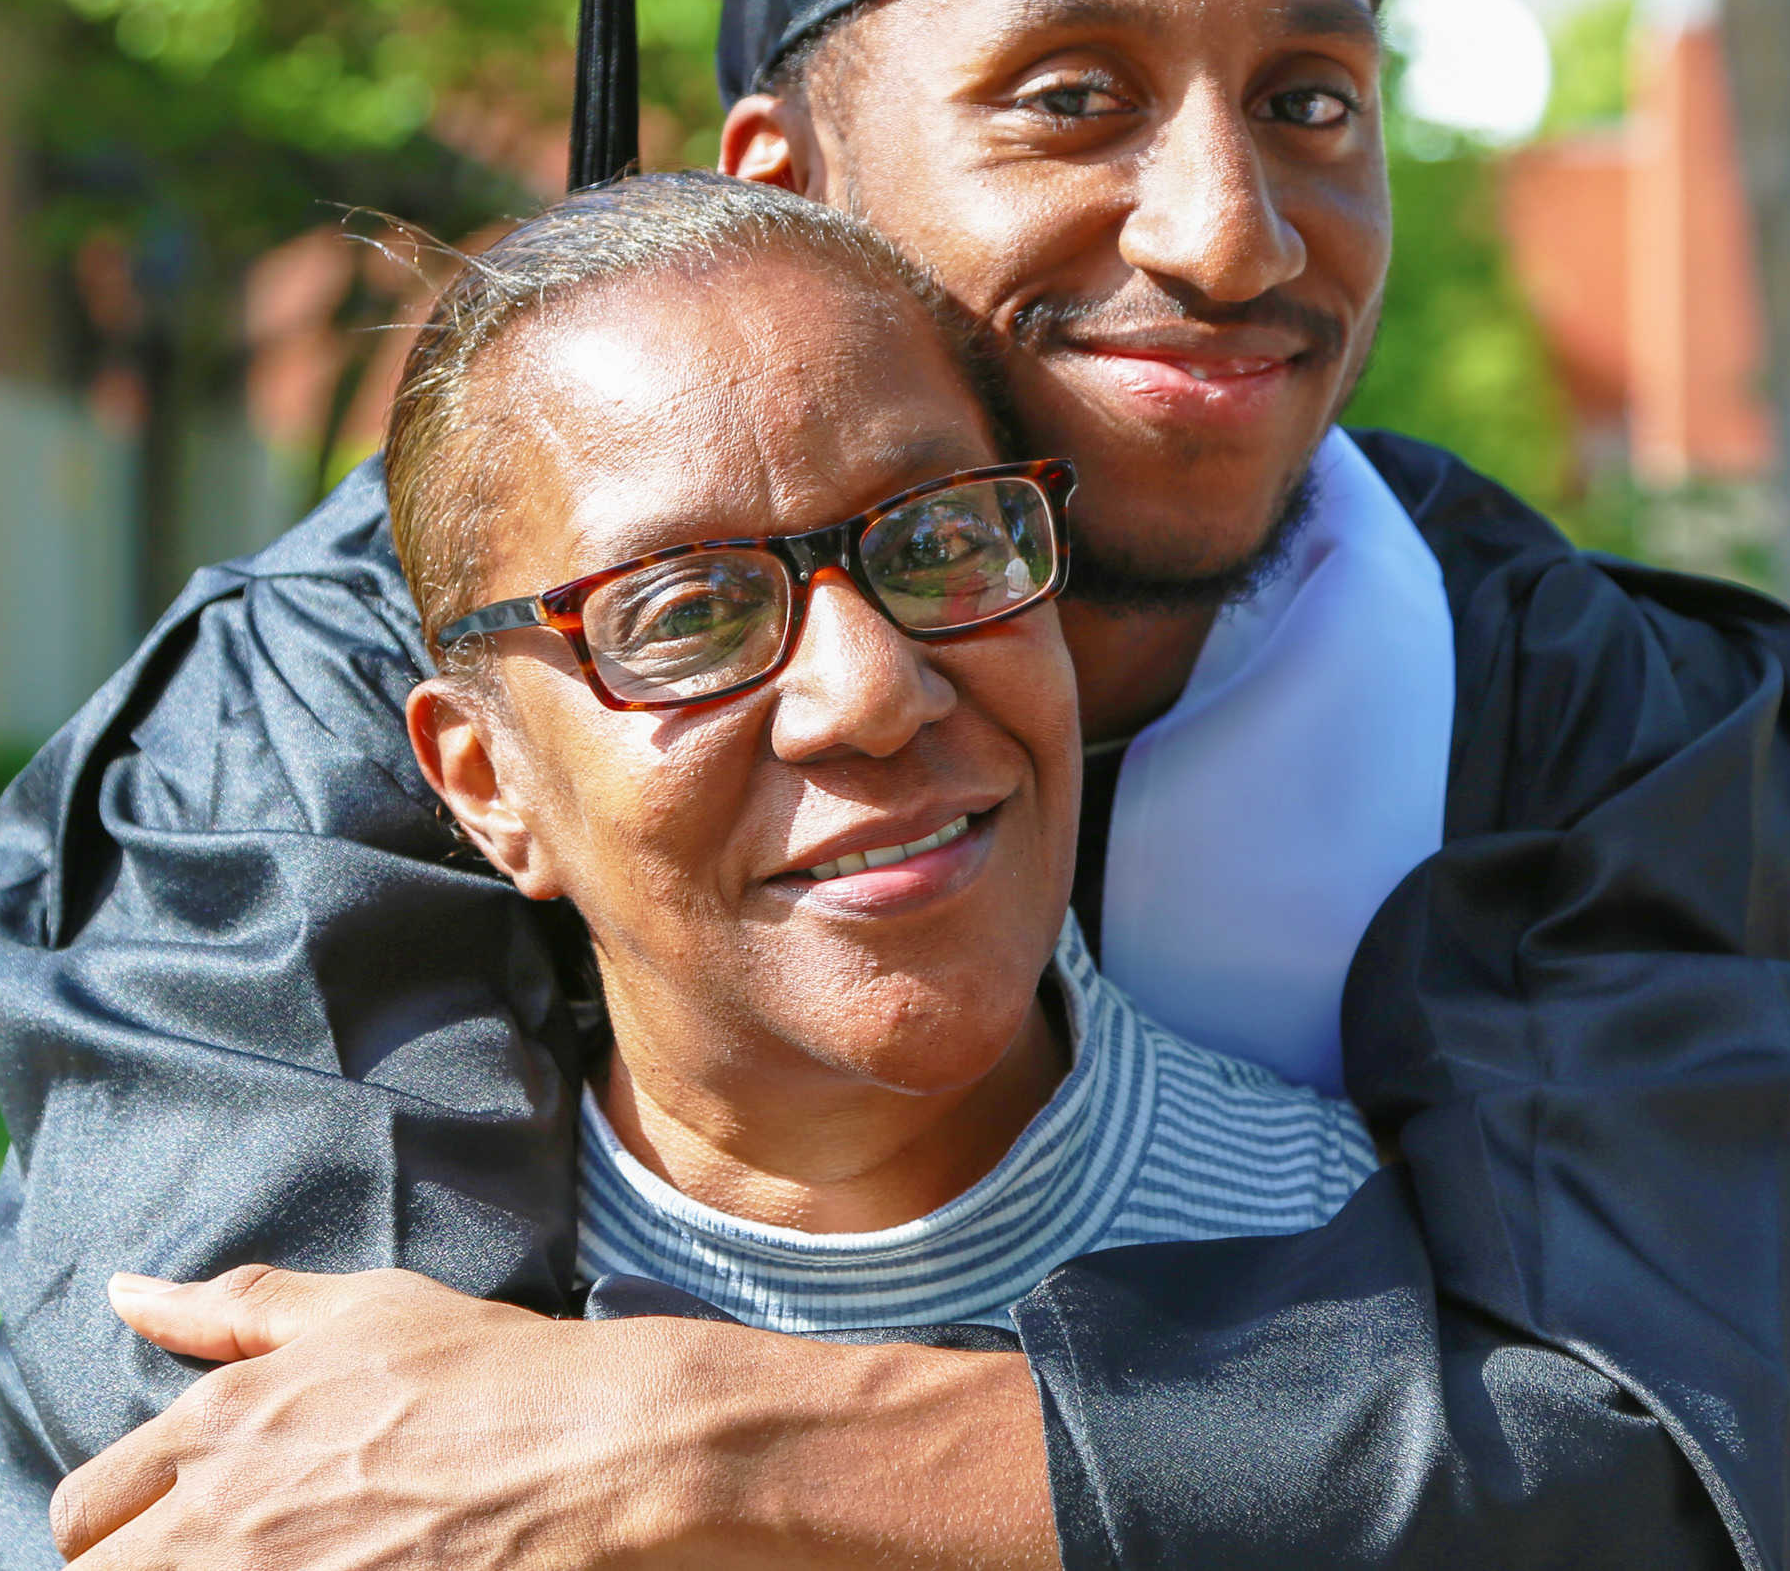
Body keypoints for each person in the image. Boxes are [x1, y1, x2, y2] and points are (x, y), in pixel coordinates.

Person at [0, 0, 1790, 1565]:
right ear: (775, 185)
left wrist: (701, 1436)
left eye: (1313, 98)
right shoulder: (355, 681)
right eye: (1071, 98)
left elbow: (1683, 1472)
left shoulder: (1556, 699)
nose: (1236, 233)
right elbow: (275, 1475)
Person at [386, 174, 1376, 1340]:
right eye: (687, 613)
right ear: (487, 784)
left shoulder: (1371, 1264)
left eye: (943, 537)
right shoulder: (370, 1393)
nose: (870, 694)